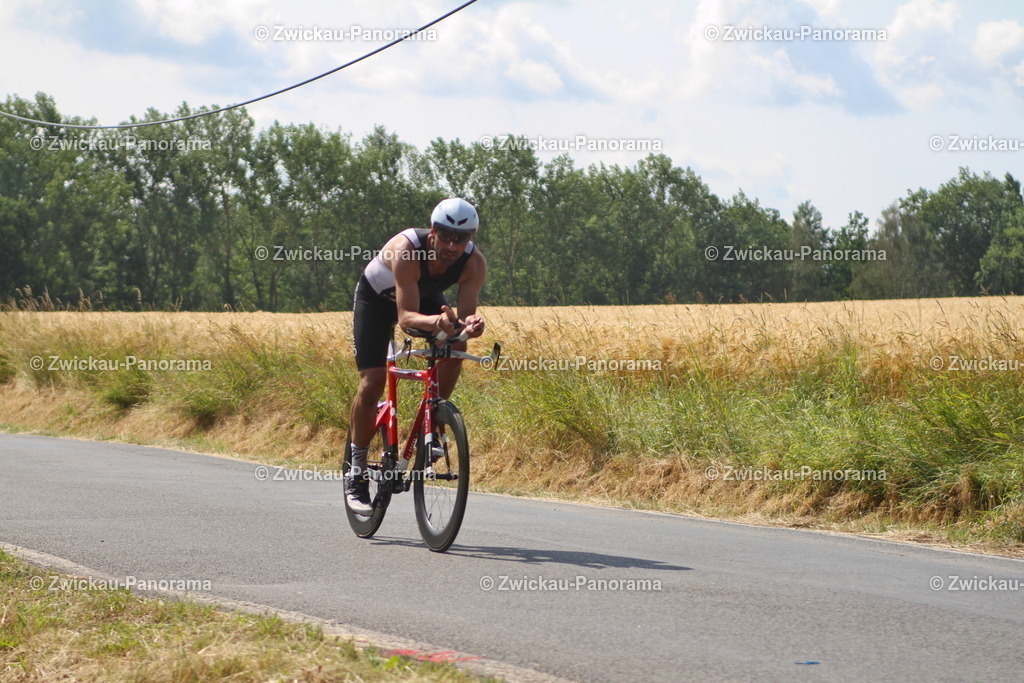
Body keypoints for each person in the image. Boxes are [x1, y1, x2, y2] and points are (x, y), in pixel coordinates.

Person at [346, 197, 487, 513]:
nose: (452, 245)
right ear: (433, 230)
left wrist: (470, 326)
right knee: (372, 383)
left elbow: (464, 320)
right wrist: (437, 322)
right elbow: (407, 317)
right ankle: (355, 472)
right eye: (446, 235)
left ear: (471, 238)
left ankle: (435, 422)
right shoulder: (408, 249)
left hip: (422, 299)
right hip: (377, 300)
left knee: (457, 345)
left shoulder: (473, 263)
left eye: (461, 238)